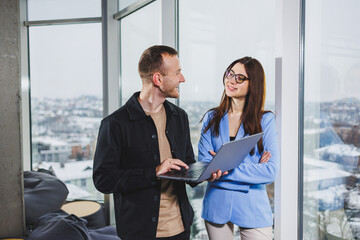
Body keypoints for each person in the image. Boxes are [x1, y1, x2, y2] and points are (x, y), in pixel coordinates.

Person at [93, 45, 222, 240]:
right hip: (139, 232)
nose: (182, 78)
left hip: (180, 228)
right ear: (158, 79)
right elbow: (103, 180)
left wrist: (206, 173)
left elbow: (186, 165)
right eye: (177, 72)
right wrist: (154, 172)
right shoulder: (115, 124)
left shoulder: (179, 117)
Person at [198, 57, 280, 240]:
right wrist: (252, 169)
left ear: (254, 84)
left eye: (240, 78)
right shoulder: (212, 118)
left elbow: (270, 171)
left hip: (254, 208)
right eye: (230, 74)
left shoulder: (265, 120)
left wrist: (222, 166)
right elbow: (204, 166)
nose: (231, 80)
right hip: (216, 205)